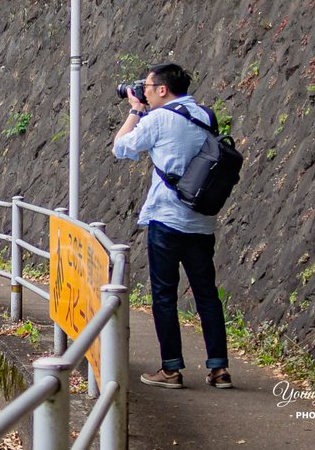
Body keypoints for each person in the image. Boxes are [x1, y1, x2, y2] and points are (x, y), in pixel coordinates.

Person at [112, 62, 232, 389]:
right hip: (201, 221)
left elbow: (121, 147)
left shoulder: (158, 118)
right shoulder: (206, 116)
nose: (144, 93)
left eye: (148, 88)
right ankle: (219, 369)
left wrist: (135, 111)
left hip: (166, 219)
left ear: (162, 90)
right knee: (207, 295)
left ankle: (171, 369)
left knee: (164, 296)